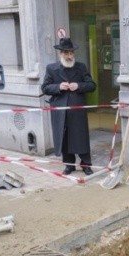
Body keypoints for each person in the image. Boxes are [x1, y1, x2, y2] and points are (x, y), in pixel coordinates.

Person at [41, 37, 97, 175]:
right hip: (60, 110)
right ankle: (69, 165)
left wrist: (78, 86)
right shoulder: (51, 68)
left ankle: (86, 165)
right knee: (64, 138)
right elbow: (45, 88)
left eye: (71, 53)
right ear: (60, 54)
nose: (69, 56)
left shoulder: (81, 67)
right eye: (66, 53)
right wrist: (58, 86)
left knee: (81, 138)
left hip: (77, 110)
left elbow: (92, 85)